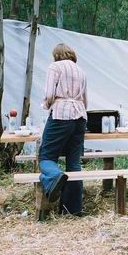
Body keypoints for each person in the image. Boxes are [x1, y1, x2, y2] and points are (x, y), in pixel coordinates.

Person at [39, 43, 88, 216]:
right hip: (80, 116)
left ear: (56, 55)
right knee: (74, 162)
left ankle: (55, 176)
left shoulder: (55, 67)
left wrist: (47, 105)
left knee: (46, 157)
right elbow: (85, 100)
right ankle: (72, 209)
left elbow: (49, 94)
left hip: (61, 114)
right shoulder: (81, 71)